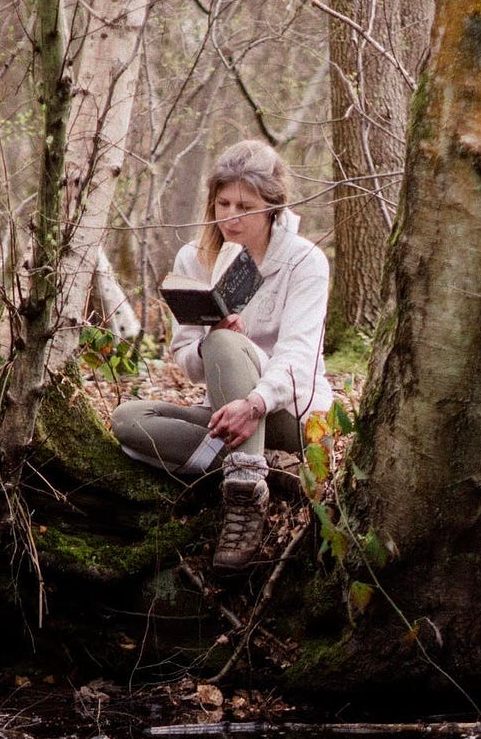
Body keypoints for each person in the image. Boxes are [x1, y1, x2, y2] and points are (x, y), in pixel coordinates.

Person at [111, 140, 334, 571]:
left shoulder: (304, 260)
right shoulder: (193, 259)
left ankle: (246, 496)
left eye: (245, 206)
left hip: (295, 416)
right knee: (127, 420)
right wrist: (210, 340)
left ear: (273, 207)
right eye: (223, 203)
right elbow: (188, 364)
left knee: (230, 344)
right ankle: (263, 464)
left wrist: (255, 401)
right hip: (230, 417)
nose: (230, 217)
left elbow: (299, 356)